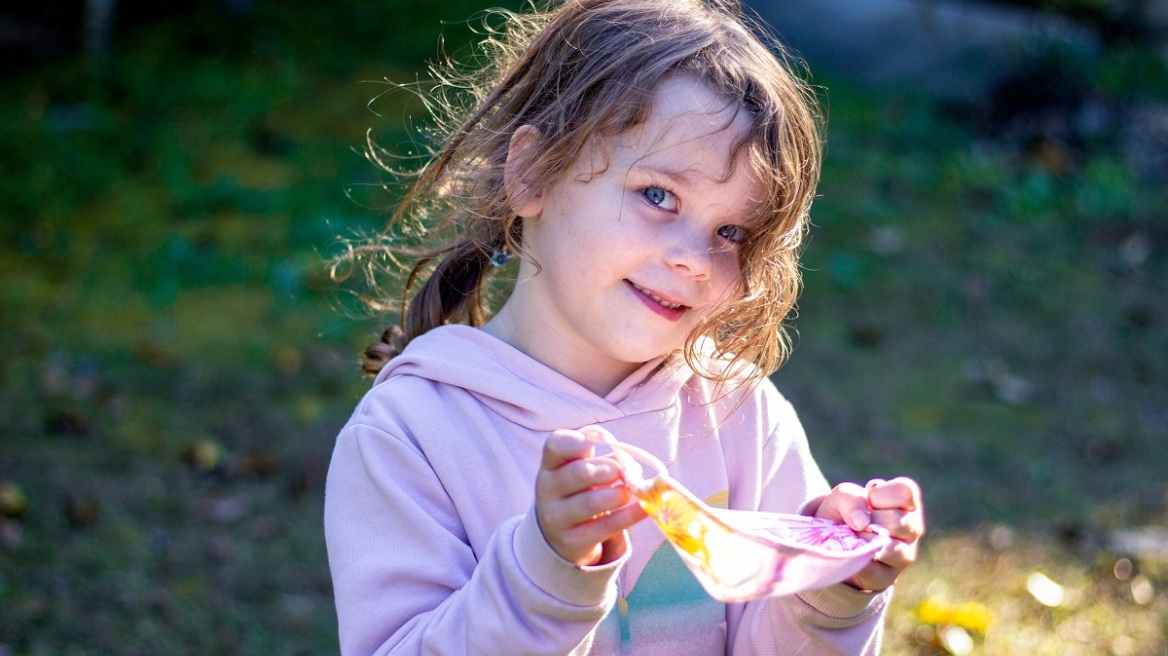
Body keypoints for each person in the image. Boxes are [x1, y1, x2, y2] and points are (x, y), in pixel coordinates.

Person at [323, 0, 925, 654]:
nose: (693, 260)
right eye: (658, 196)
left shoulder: (742, 416)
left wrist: (832, 590)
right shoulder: (411, 435)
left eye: (730, 232)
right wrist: (545, 569)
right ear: (532, 173)